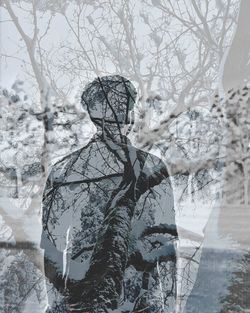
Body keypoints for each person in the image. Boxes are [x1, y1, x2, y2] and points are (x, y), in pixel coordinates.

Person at [41, 75, 178, 312]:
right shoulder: (66, 172)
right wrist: (58, 305)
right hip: (91, 298)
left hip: (138, 299)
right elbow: (53, 247)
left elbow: (164, 245)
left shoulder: (150, 168)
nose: (122, 110)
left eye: (124, 103)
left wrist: (169, 303)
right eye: (114, 103)